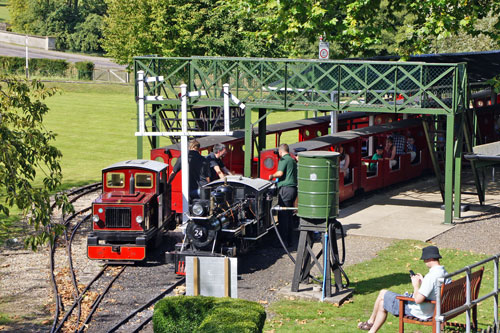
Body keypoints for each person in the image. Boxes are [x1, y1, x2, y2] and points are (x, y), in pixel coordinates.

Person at [357, 246, 449, 332]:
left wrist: (416, 285)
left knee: (383, 293)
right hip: (435, 308)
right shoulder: (444, 273)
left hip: (422, 311)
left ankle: (370, 322)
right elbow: (434, 289)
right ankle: (371, 330)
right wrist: (423, 281)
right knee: (382, 303)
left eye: (424, 260)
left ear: (430, 259)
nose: (424, 262)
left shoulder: (431, 276)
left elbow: (418, 300)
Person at [269, 143, 297, 247]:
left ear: (280, 152)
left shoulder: (284, 160)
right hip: (293, 189)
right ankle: (290, 240)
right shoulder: (293, 160)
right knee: (289, 215)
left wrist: (272, 175)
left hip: (285, 189)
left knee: (283, 216)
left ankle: (283, 241)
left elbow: (280, 173)